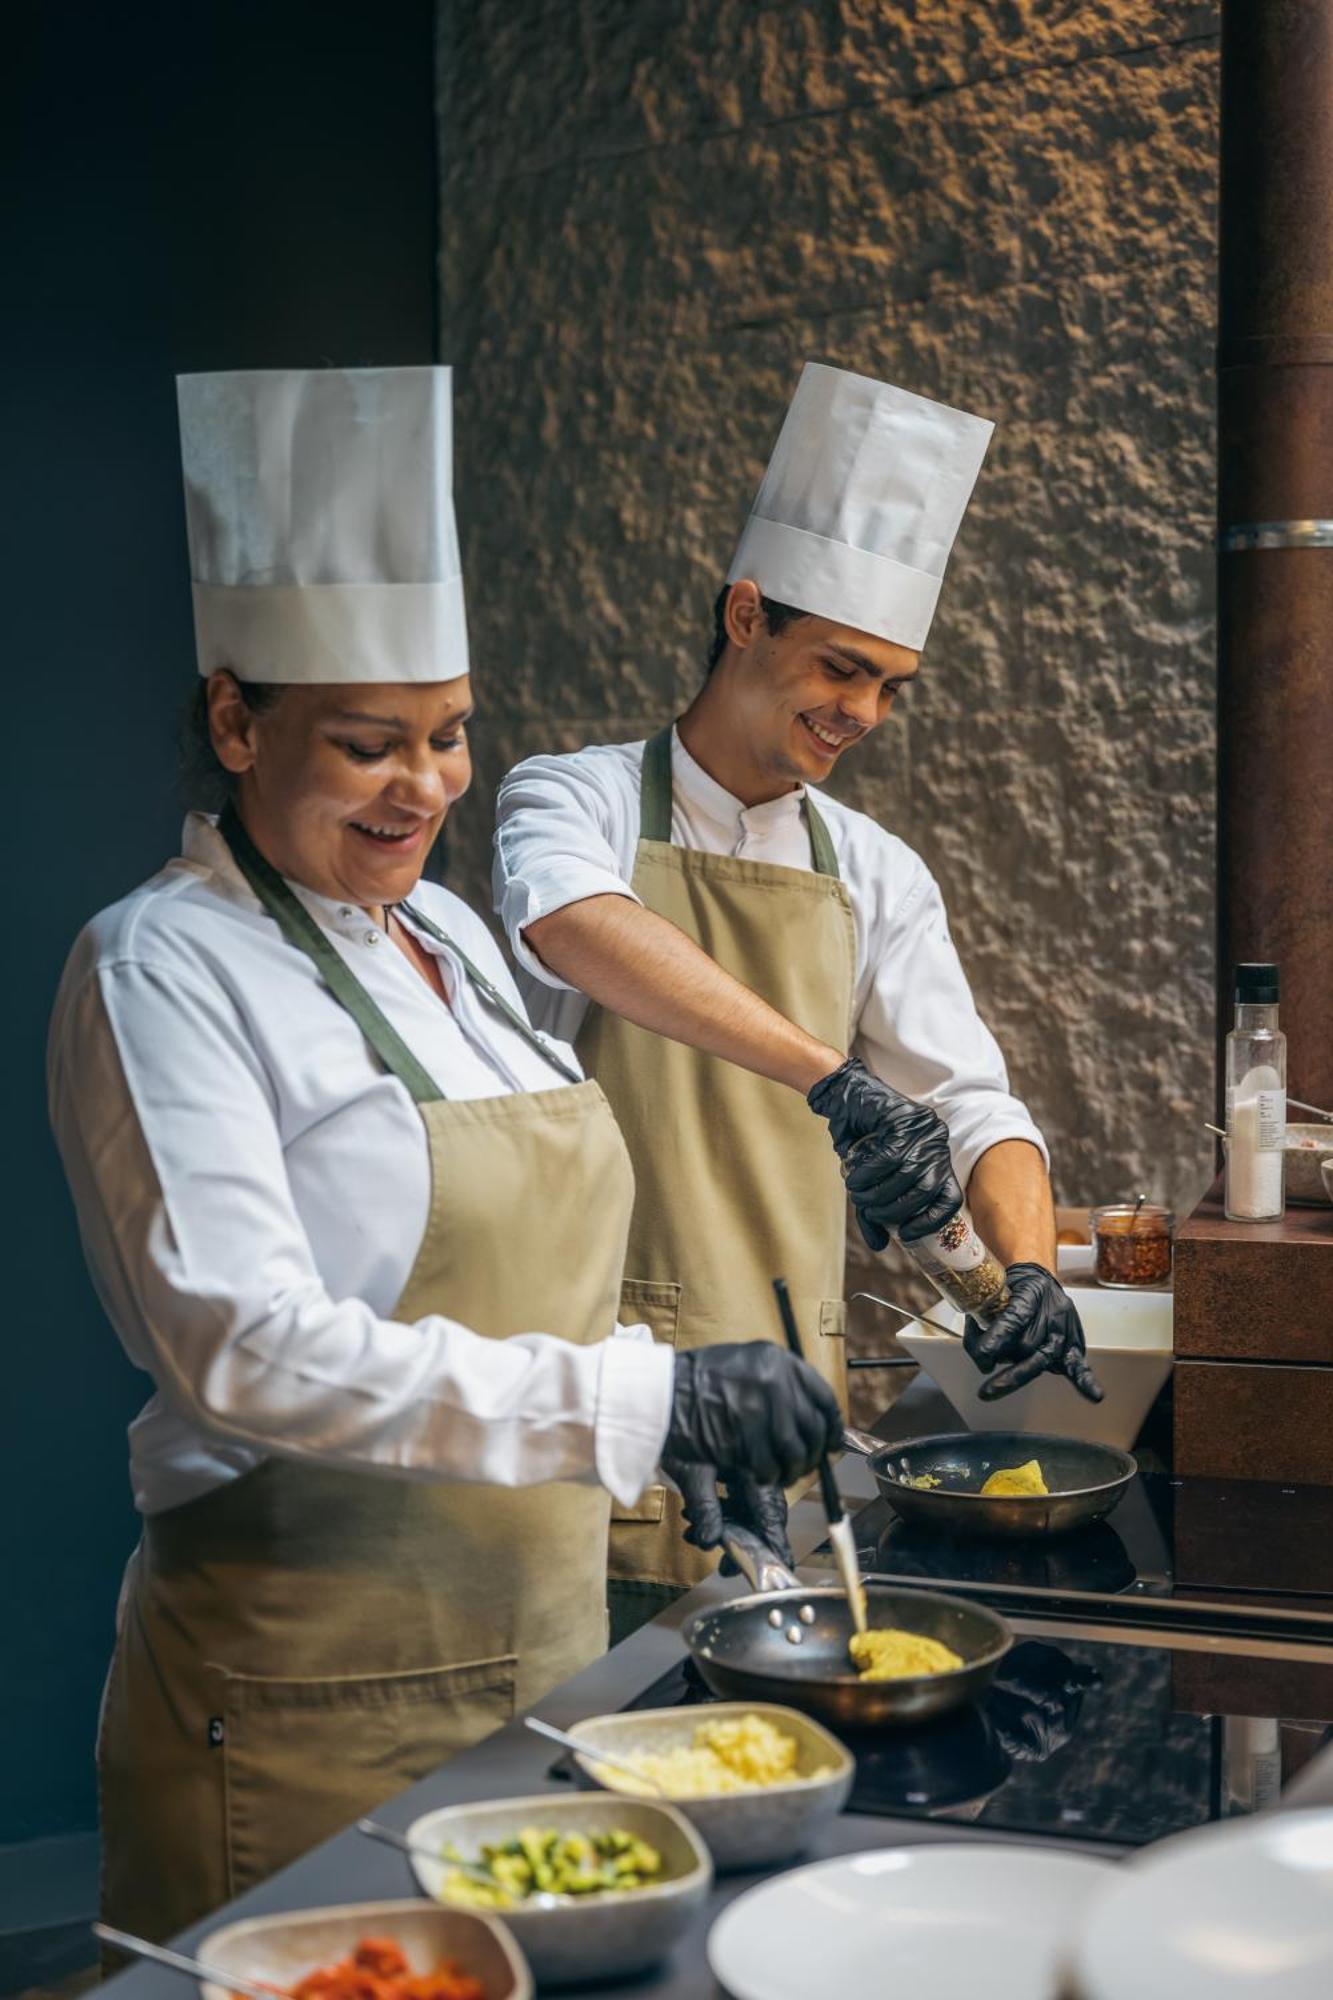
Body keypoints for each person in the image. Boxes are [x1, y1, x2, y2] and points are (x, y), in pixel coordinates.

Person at [48, 365, 841, 1943]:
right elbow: (241, 1349)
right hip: (305, 1701)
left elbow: (525, 1275)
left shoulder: (459, 940)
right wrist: (638, 1391)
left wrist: (665, 1416)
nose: (424, 789)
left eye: (451, 738)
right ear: (234, 719)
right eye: (366, 746)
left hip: (540, 1665)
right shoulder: (159, 966)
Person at [494, 362, 1100, 1639]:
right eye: (841, 667)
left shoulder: (875, 869)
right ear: (744, 610)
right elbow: (574, 923)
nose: (864, 712)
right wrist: (834, 1078)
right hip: (602, 1383)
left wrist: (1030, 1267)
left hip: (789, 1393)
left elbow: (974, 1100)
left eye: (890, 685)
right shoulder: (575, 796)